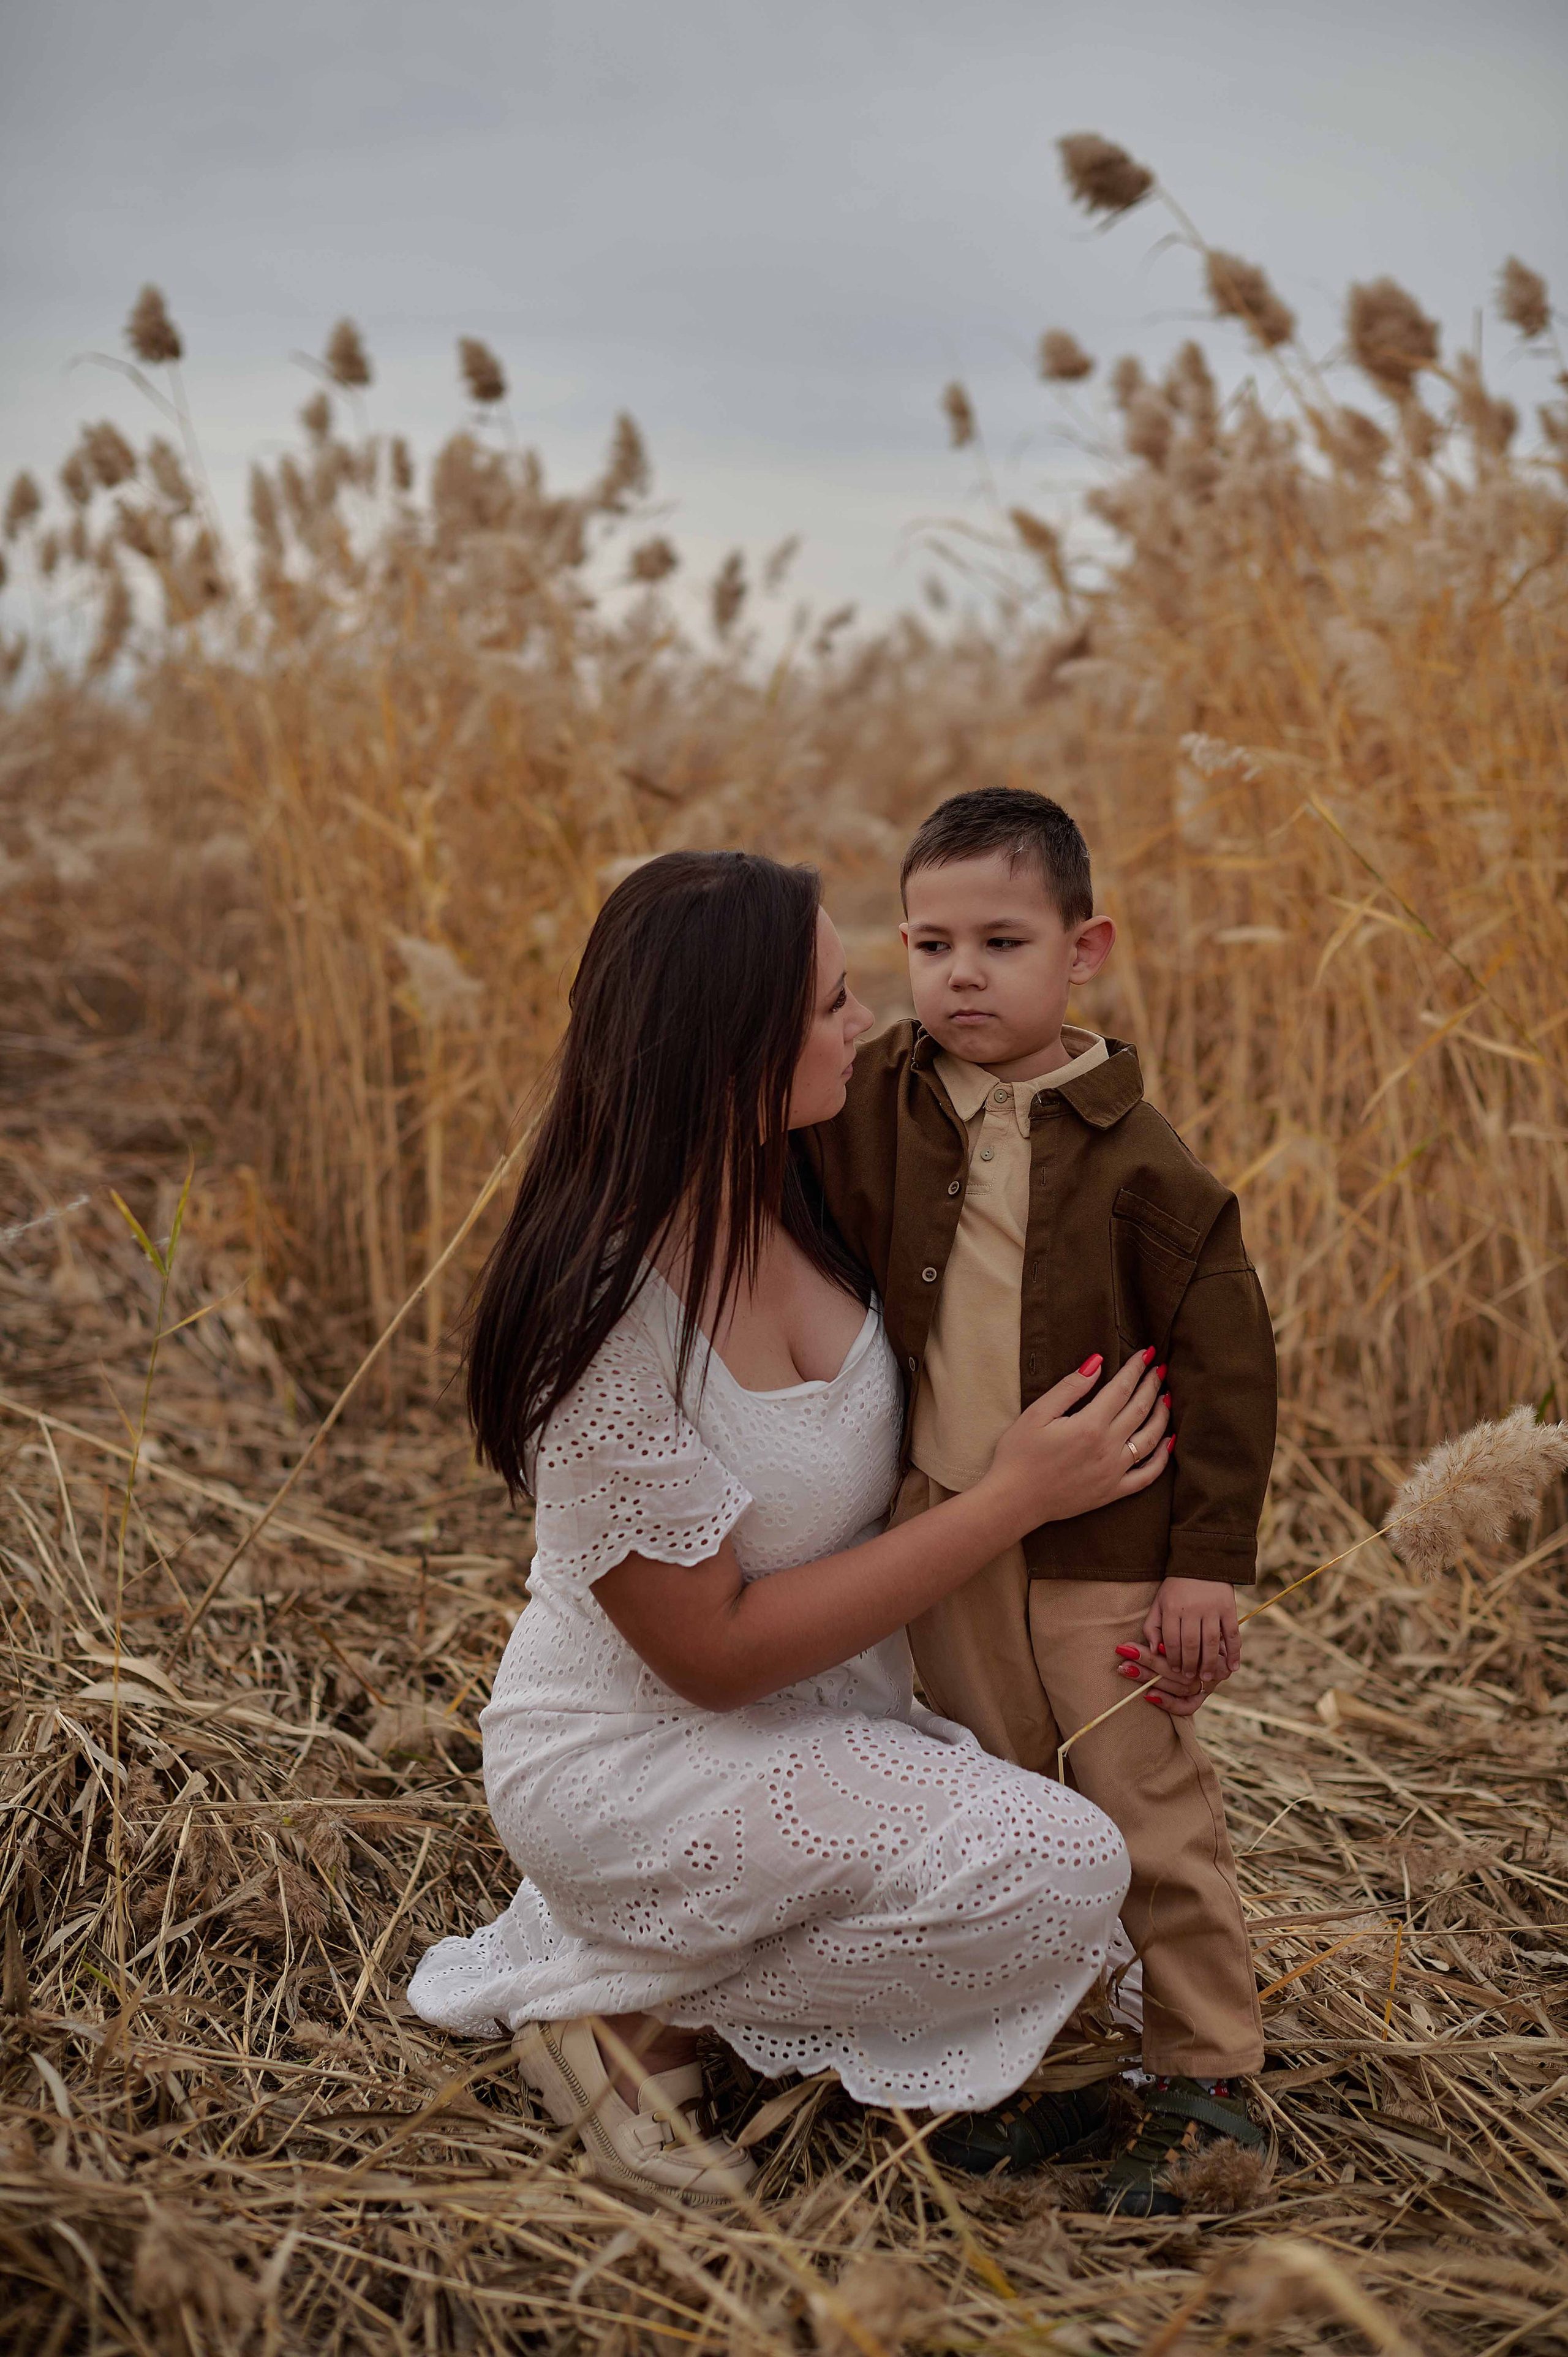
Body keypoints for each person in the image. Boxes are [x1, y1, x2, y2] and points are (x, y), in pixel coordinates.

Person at [408, 848, 1174, 2208]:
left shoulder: (809, 1182)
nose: (864, 1023)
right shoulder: (599, 1323)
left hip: (832, 1716)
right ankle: (627, 2016)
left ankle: (633, 1978)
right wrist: (1011, 1500)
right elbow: (707, 1653)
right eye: (829, 1004)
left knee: (1094, 1940)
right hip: (639, 1753)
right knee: (1060, 1871)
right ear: (729, 1054)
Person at [802, 787, 1276, 2216]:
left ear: (1084, 950)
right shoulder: (880, 1097)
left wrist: (1204, 1568)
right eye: (929, 942)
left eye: (1000, 941)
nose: (960, 973)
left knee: (1139, 1800)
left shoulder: (1141, 1162)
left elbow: (1227, 1366)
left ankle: (1207, 2079)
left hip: (1102, 1550)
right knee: (1003, 1800)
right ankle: (1054, 2066)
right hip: (948, 1525)